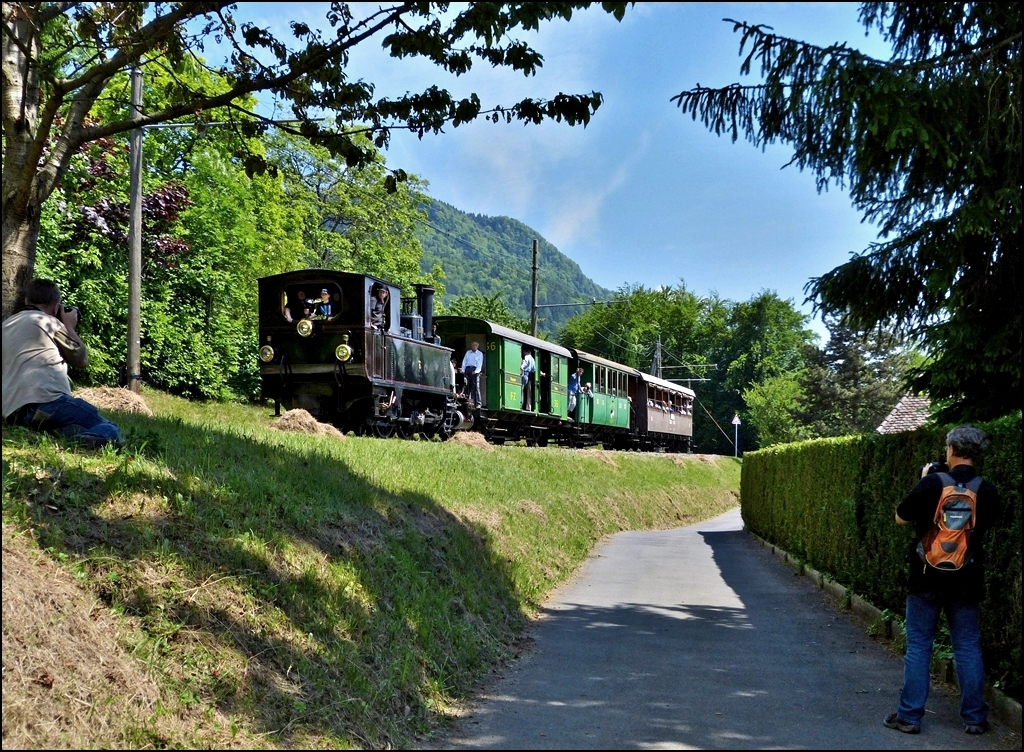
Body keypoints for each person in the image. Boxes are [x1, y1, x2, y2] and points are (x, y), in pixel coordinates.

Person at [884, 425, 1003, 736]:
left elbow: (901, 516)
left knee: (920, 645)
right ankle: (975, 718)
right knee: (967, 645)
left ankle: (909, 716)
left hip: (925, 578)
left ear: (951, 450)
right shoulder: (986, 490)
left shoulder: (933, 482)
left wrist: (924, 482)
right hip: (967, 578)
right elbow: (987, 527)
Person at [2, 279, 122, 448]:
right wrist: (69, 326)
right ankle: (85, 444)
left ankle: (70, 437)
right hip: (47, 402)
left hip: (14, 413)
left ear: (26, 301)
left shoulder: (6, 325)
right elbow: (81, 361)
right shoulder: (50, 323)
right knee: (109, 428)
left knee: (70, 428)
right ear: (56, 307)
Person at [461, 341, 484, 409]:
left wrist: (476, 371)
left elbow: (480, 363)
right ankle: (466, 402)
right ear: (471, 345)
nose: (474, 346)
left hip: (475, 370)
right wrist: (463, 370)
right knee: (466, 386)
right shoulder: (468, 352)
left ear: (478, 346)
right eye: (473, 345)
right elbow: (464, 361)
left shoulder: (480, 354)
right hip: (467, 369)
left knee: (476, 387)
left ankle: (478, 403)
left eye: (475, 345)